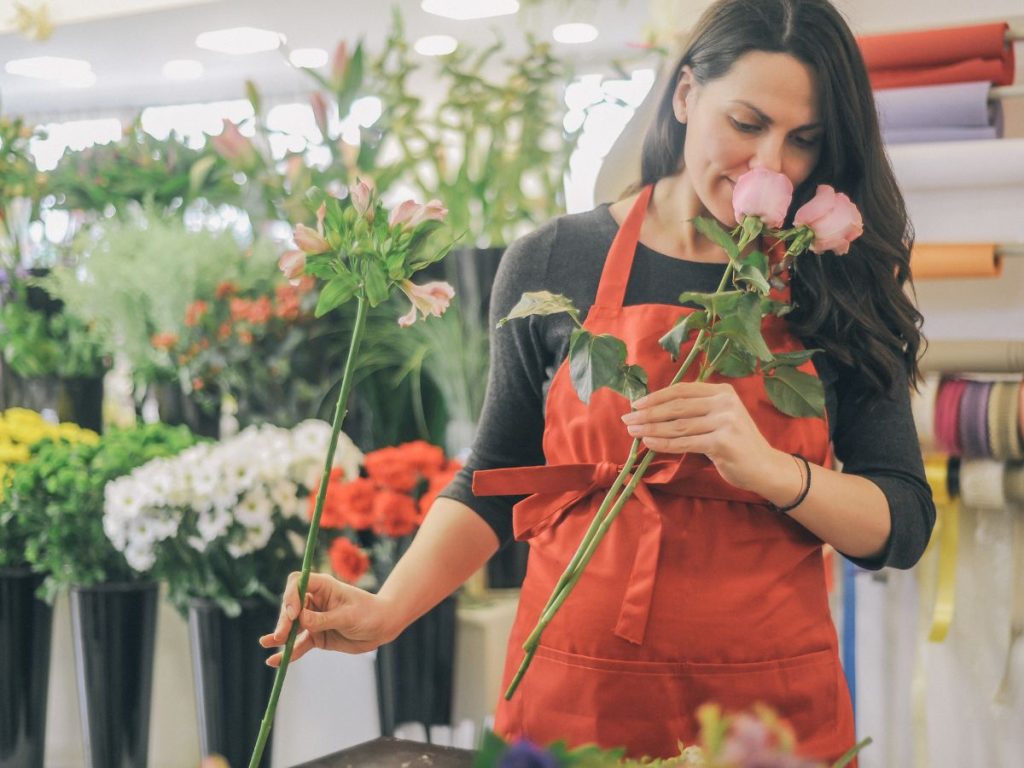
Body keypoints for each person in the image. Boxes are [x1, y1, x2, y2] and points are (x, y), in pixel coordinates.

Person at [261, 0, 935, 762]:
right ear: (684, 96)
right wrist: (387, 610)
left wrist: (772, 472)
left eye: (803, 140)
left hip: (764, 724)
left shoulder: (834, 280)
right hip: (574, 703)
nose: (771, 164)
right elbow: (496, 477)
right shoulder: (553, 261)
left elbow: (902, 522)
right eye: (745, 124)